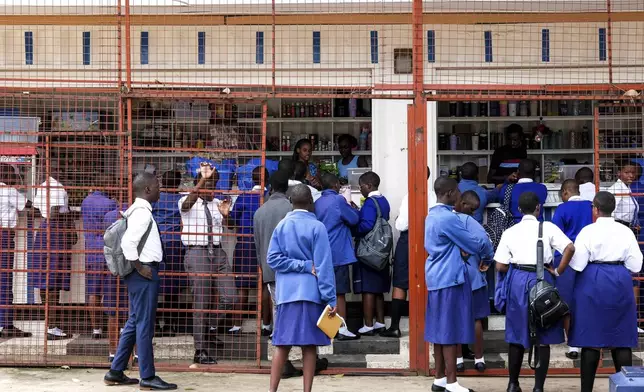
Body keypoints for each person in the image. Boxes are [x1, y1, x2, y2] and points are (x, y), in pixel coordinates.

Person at [494, 192, 575, 392]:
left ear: (519, 210)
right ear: (538, 208)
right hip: (543, 280)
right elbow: (570, 248)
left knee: (516, 333)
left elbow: (500, 266)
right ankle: (538, 387)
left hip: (519, 282)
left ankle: (513, 384)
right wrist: (558, 270)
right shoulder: (547, 227)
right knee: (543, 332)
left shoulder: (510, 232)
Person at [103, 172, 177, 390]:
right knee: (144, 325)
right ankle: (148, 376)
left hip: (140, 274)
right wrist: (140, 267)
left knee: (135, 322)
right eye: (157, 186)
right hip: (143, 274)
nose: (160, 189)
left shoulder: (137, 210)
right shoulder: (142, 213)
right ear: (147, 189)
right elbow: (128, 244)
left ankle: (116, 371)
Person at [567, 191, 643, 392]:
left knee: (590, 338)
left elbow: (578, 264)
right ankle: (627, 388)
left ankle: (586, 390)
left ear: (595, 209)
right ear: (613, 209)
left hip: (593, 279)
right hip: (620, 278)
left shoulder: (588, 231)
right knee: (622, 338)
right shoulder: (625, 232)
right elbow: (636, 264)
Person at [424, 177, 494, 392]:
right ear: (451, 193)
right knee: (450, 331)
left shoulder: (431, 216)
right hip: (451, 278)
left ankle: (439, 379)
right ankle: (452, 382)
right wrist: (485, 257)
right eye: (457, 193)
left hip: (436, 278)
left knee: (439, 331)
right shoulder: (448, 218)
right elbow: (474, 243)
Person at [267, 184, 336, 392]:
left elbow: (272, 259)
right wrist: (330, 298)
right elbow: (324, 266)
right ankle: (307, 390)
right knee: (309, 346)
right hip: (311, 293)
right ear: (311, 203)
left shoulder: (282, 226)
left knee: (282, 345)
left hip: (287, 294)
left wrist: (297, 265)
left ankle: (272, 390)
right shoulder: (318, 227)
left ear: (290, 202)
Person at [179, 164, 235, 365]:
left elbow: (232, 227)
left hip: (217, 252)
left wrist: (227, 216)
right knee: (201, 303)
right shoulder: (186, 200)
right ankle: (200, 350)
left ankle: (208, 327)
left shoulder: (217, 202)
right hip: (197, 252)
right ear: (199, 182)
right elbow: (186, 206)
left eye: (215, 183)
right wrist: (203, 179)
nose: (213, 188)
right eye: (209, 183)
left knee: (230, 296)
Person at [253, 169, 302, 378]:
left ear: (270, 188)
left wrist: (264, 268)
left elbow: (257, 246)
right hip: (293, 269)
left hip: (270, 271)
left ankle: (281, 360)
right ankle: (291, 360)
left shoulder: (260, 212)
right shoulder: (292, 209)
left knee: (278, 314)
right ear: (288, 188)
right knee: (297, 312)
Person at [382, 166, 434, 339]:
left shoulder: (409, 196)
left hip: (409, 241)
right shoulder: (434, 195)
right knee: (427, 282)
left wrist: (398, 220)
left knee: (400, 282)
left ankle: (395, 326)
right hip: (429, 241)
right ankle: (427, 326)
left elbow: (402, 224)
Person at [30, 174, 76, 340]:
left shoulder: (42, 186)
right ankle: (52, 326)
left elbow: (36, 211)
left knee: (46, 280)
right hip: (55, 233)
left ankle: (51, 325)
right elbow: (54, 212)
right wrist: (68, 219)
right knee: (52, 281)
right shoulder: (56, 187)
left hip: (44, 231)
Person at [314, 172, 360, 340]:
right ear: (335, 186)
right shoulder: (338, 201)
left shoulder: (317, 203)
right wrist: (353, 208)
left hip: (321, 253)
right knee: (339, 292)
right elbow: (354, 219)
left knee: (324, 290)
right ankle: (340, 328)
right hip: (338, 252)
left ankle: (327, 327)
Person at [551, 179, 593, 360]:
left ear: (565, 193)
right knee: (587, 301)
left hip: (566, 261)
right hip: (590, 259)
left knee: (567, 303)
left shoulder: (562, 209)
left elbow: (555, 236)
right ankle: (591, 342)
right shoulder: (592, 207)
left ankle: (573, 345)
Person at [454, 191, 492, 373]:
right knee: (477, 318)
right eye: (473, 209)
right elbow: (485, 241)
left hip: (452, 276)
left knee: (457, 318)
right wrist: (486, 260)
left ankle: (459, 359)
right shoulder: (470, 222)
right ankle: (479, 359)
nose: (474, 213)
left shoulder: (444, 219)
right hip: (473, 275)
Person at [227, 166, 267, 333]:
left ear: (252, 179)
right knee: (265, 286)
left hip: (245, 244)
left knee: (242, 286)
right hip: (265, 245)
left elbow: (232, 222)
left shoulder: (244, 197)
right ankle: (266, 325)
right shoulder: (270, 197)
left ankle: (237, 325)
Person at [352, 171, 390, 336]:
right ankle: (380, 322)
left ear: (368, 186)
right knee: (378, 289)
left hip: (369, 252)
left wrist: (354, 230)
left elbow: (367, 225)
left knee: (368, 288)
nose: (360, 190)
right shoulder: (384, 200)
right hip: (381, 251)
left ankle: (368, 324)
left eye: (361, 187)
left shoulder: (369, 202)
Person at [81, 174, 117, 339]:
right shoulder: (110, 204)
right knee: (111, 291)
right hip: (107, 250)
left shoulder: (85, 201)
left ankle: (96, 329)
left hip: (91, 251)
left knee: (93, 292)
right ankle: (114, 328)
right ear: (107, 185)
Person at [152, 170, 186, 337]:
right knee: (173, 285)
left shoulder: (156, 199)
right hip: (175, 244)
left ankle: (156, 323)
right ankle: (170, 324)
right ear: (178, 183)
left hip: (158, 242)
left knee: (155, 283)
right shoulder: (181, 199)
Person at [0, 167, 30, 338]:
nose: (15, 178)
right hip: (3, 237)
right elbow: (28, 205)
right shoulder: (8, 190)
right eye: (13, 174)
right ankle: (6, 324)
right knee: (4, 281)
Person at [103, 202, 131, 363]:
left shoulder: (109, 215)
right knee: (134, 312)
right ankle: (136, 353)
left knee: (112, 311)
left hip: (113, 267)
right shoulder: (139, 214)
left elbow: (106, 239)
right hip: (132, 267)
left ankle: (113, 352)